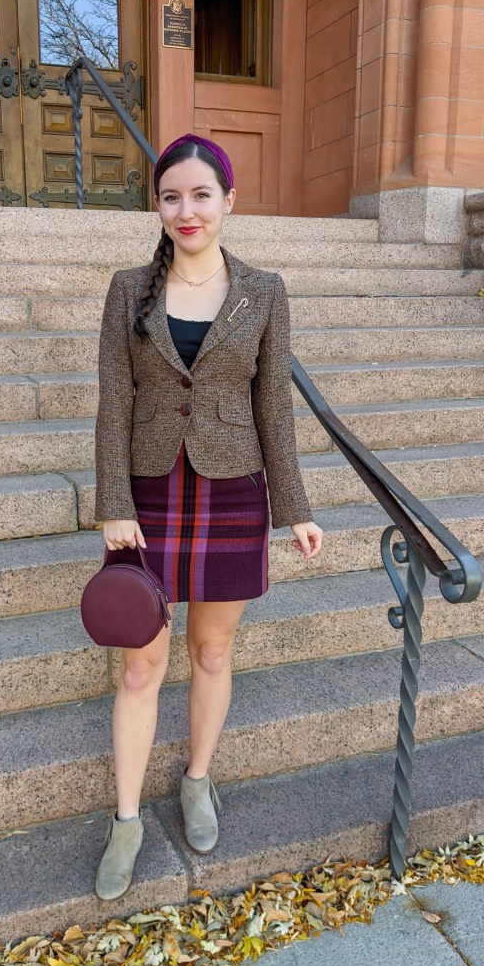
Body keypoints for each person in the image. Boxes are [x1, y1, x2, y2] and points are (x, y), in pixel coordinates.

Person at [93, 133, 323, 901]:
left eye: (200, 194)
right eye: (170, 196)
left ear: (230, 200)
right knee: (139, 663)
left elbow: (274, 408)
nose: (185, 210)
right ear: (155, 206)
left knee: (213, 654)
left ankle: (196, 779)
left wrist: (294, 508)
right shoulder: (129, 288)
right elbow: (113, 404)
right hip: (148, 495)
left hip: (231, 489)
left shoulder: (265, 290)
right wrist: (113, 504)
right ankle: (126, 820)